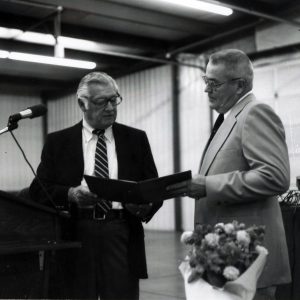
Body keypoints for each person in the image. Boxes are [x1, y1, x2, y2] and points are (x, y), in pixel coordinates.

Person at [168, 49, 291, 300]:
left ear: (240, 85)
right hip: (228, 259)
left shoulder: (255, 113)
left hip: (249, 263)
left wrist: (208, 185)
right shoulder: (229, 118)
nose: (206, 90)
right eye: (206, 81)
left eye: (214, 83)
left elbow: (275, 176)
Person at [29, 71, 163, 300]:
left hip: (121, 233)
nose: (111, 107)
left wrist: (144, 206)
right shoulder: (58, 142)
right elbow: (38, 190)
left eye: (114, 99)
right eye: (102, 102)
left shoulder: (136, 139)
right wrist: (71, 194)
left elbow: (154, 188)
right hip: (75, 234)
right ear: (82, 104)